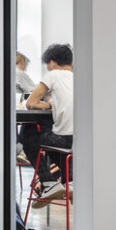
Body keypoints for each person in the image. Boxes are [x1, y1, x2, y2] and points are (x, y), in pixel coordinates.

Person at [21, 43, 74, 189]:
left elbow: (30, 103)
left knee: (28, 136)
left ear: (52, 62)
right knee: (51, 135)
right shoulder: (78, 77)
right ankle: (69, 180)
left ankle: (48, 182)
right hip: (80, 140)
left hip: (64, 140)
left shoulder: (53, 75)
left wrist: (49, 105)